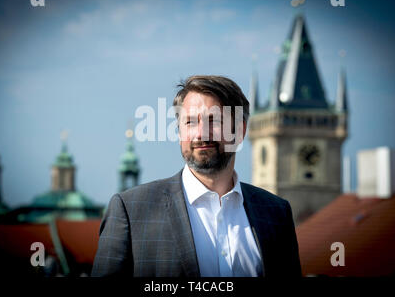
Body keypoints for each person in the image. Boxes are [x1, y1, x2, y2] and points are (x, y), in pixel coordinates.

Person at [91, 75, 302, 277]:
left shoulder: (276, 213)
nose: (201, 133)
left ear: (240, 131)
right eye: (190, 122)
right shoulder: (131, 210)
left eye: (214, 121)